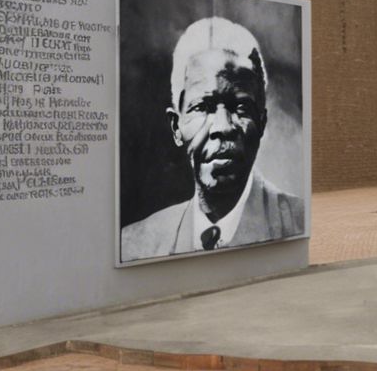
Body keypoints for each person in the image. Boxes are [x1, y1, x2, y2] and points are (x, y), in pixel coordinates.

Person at [122, 17, 305, 261]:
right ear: (176, 126)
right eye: (203, 107)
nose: (222, 127)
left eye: (240, 107)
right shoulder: (135, 244)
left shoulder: (299, 221)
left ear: (261, 123)